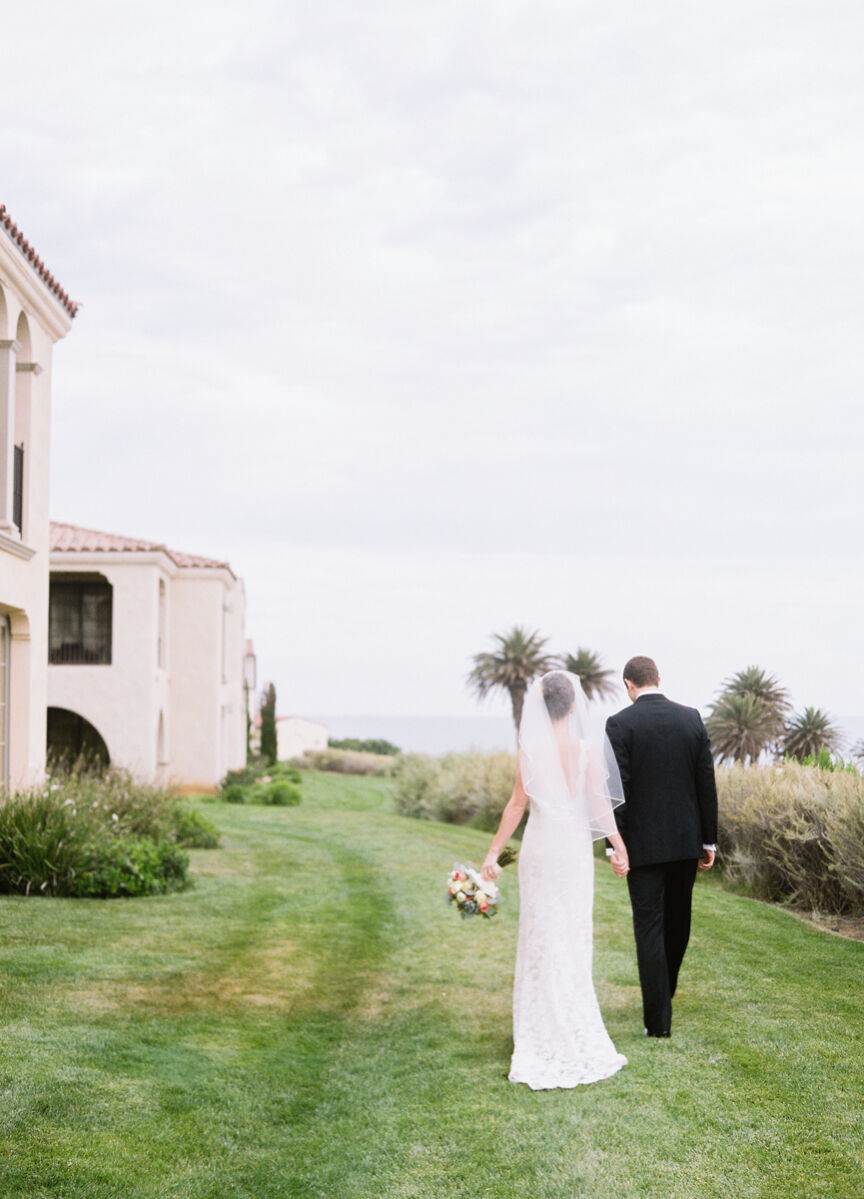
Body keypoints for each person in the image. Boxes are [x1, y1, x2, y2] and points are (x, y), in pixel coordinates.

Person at [481, 670, 629, 1089]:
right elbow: (600, 805)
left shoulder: (531, 747)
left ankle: (541, 1027)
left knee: (542, 931)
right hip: (574, 851)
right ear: (572, 704)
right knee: (571, 931)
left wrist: (494, 852)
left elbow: (515, 804)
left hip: (543, 847)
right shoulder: (585, 748)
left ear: (540, 706)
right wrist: (619, 847)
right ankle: (571, 1020)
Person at [604, 656, 718, 1039]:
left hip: (642, 848)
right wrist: (708, 839)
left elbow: (616, 790)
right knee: (678, 923)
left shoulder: (620, 724)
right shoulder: (692, 718)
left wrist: (614, 845)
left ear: (628, 684)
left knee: (649, 928)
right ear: (658, 679)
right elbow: (706, 783)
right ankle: (663, 993)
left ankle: (658, 1018)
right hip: (686, 843)